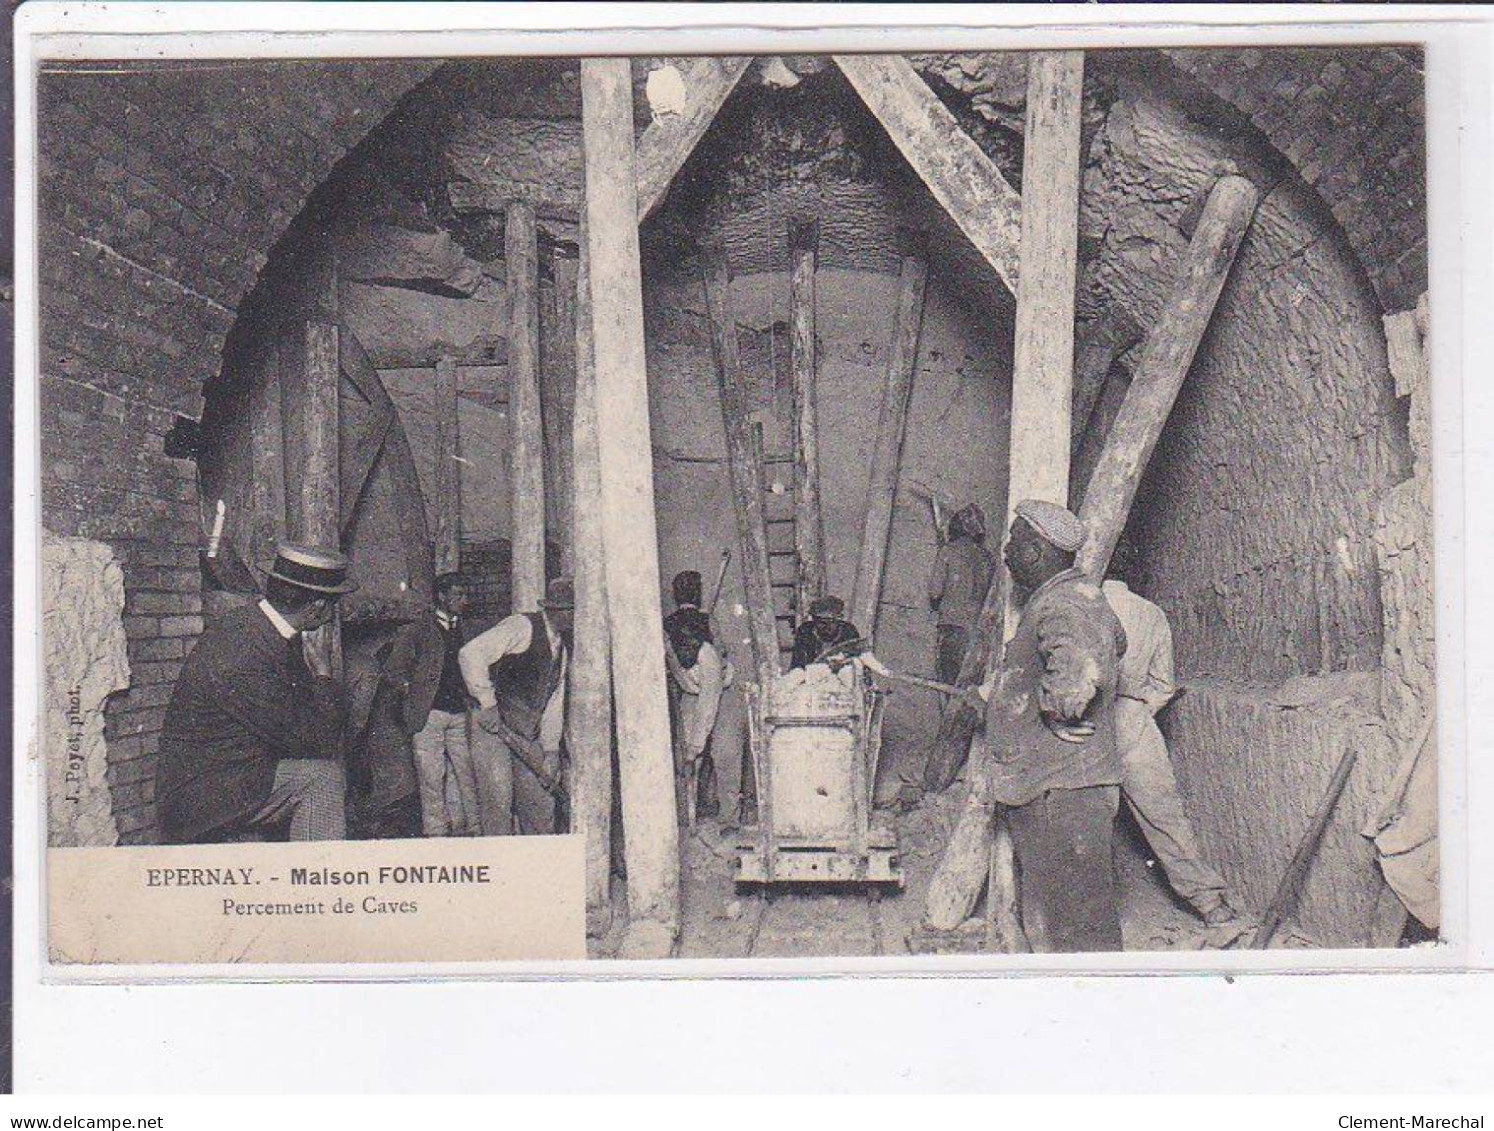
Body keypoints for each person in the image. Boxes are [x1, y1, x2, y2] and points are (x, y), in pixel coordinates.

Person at [973, 500, 1128, 952]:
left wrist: (1058, 710)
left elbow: (1077, 676)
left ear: (1037, 550)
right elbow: (1116, 642)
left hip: (1060, 790)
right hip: (1059, 786)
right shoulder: (1077, 595)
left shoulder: (1061, 603)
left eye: (1014, 542)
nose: (1004, 552)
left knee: (1081, 929)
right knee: (1069, 918)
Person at [156, 544, 357, 844]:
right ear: (317, 607)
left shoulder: (259, 629)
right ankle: (318, 882)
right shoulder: (247, 650)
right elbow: (318, 741)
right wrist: (324, 676)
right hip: (201, 794)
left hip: (232, 772)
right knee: (324, 779)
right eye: (334, 604)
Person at [1103, 546, 1237, 926]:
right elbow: (1164, 684)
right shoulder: (1151, 613)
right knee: (1165, 817)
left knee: (1089, 816)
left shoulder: (1085, 606)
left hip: (1092, 717)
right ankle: (1212, 906)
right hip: (1134, 718)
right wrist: (1138, 713)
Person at [460, 577, 574, 835]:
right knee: (498, 805)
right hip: (493, 729)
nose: (575, 618)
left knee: (540, 805)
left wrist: (551, 751)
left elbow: (553, 701)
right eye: (572, 611)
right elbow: (470, 654)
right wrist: (487, 704)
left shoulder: (562, 649)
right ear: (557, 610)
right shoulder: (521, 626)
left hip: (526, 733)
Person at [381, 571, 487, 837]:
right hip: (428, 714)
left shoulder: (467, 629)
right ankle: (436, 831)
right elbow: (394, 669)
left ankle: (470, 827)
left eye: (465, 595)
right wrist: (412, 694)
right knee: (431, 776)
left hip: (461, 712)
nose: (464, 600)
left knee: (465, 772)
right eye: (458, 595)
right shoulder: (419, 629)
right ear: (441, 596)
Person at [663, 570, 734, 821]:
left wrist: (697, 743)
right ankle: (688, 813)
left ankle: (715, 812)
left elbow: (708, 697)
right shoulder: (705, 623)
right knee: (695, 753)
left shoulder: (672, 627)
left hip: (709, 691)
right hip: (691, 691)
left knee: (701, 749)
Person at [928, 502, 996, 684]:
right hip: (980, 633)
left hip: (953, 627)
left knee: (949, 688)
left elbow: (935, 592)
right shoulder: (988, 558)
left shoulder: (949, 551)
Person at [789, 595, 890, 674]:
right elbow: (799, 664)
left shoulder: (848, 631)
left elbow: (857, 661)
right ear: (814, 620)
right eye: (821, 622)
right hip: (813, 677)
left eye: (832, 622)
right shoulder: (805, 631)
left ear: (839, 619)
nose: (827, 627)